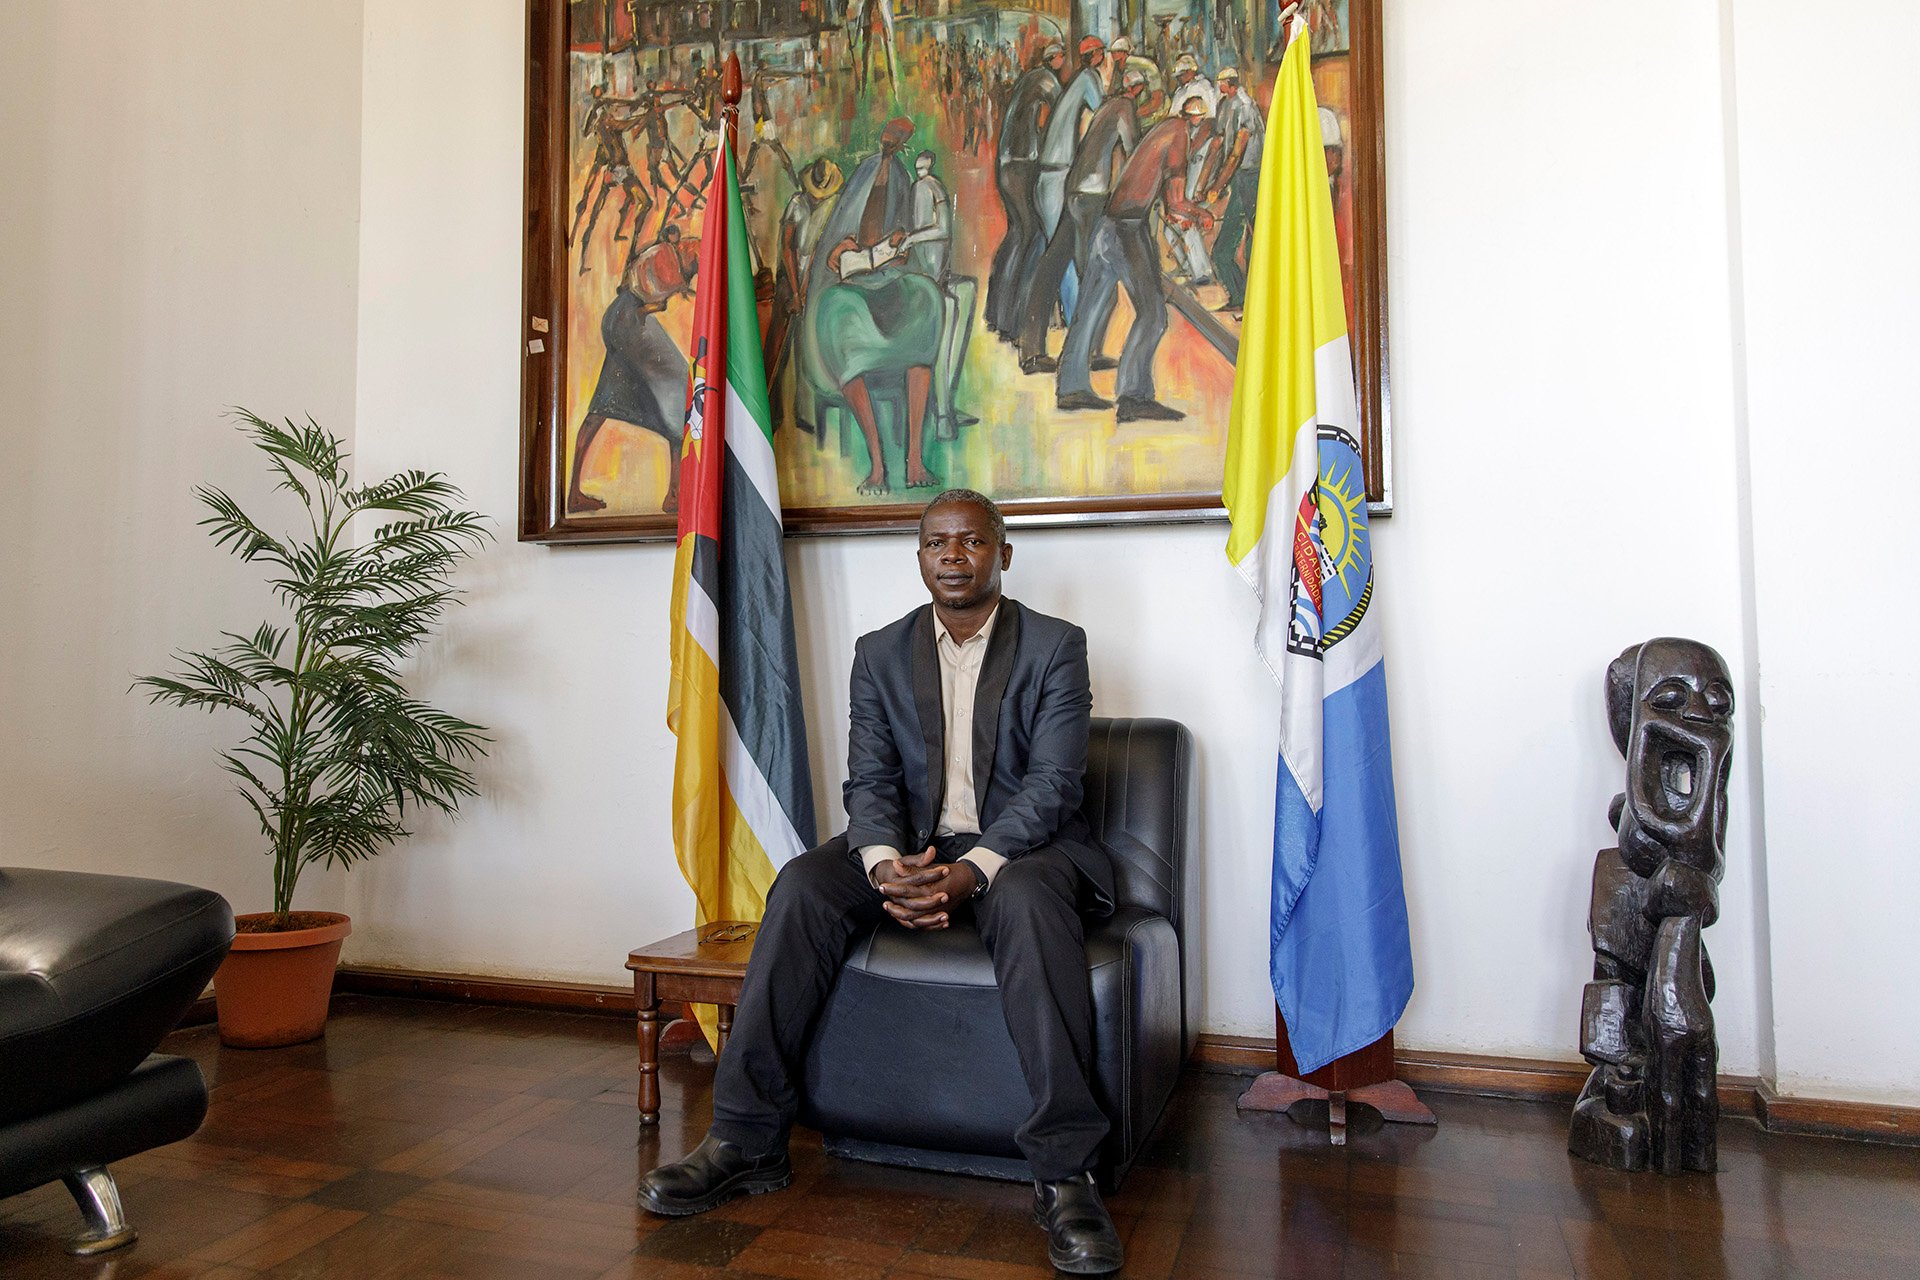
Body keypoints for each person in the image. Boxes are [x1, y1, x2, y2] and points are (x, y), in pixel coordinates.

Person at [640, 489, 1126, 1277]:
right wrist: (881, 865)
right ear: (920, 557)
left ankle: (1065, 1172)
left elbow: (1054, 786)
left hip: (1022, 850)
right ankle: (745, 1138)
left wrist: (973, 872)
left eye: (971, 542)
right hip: (911, 843)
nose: (954, 556)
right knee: (801, 884)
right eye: (938, 543)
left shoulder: (1054, 645)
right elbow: (869, 780)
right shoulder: (881, 650)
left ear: (1002, 554)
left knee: (1032, 900)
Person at [1056, 96, 1216, 421]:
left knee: (1089, 310)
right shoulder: (1180, 136)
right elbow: (1175, 202)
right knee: (1153, 314)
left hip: (1107, 226)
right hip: (1128, 228)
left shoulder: (1162, 129)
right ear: (1198, 122)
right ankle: (1133, 395)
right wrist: (1201, 214)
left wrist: (1179, 212)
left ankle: (1070, 386)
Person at [1015, 67, 1145, 372]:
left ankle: (1031, 349)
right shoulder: (1124, 109)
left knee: (1052, 264)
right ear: (1137, 92)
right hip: (1092, 196)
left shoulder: (1103, 108)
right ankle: (1086, 354)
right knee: (1097, 275)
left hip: (1073, 190)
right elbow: (1132, 152)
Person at [566, 224, 699, 514]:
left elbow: (653, 293)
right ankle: (674, 494)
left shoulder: (669, 251)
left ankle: (573, 494)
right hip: (630, 322)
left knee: (604, 402)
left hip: (618, 316)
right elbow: (657, 294)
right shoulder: (686, 253)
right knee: (679, 387)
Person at [987, 43, 1065, 336]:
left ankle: (998, 313)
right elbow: (1061, 114)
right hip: (1023, 164)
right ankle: (1015, 320)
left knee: (1017, 234)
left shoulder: (1027, 80)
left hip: (1007, 164)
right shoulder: (1047, 80)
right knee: (1031, 235)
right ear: (1054, 59)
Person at [902, 150, 979, 440]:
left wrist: (912, 238)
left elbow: (940, 229)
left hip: (936, 269)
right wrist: (911, 239)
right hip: (927, 275)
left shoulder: (928, 187)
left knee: (967, 290)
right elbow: (938, 229)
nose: (922, 168)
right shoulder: (923, 188)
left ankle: (948, 402)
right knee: (947, 305)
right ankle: (944, 413)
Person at [1204, 67, 1264, 313]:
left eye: (1221, 82)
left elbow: (1238, 151)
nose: (1218, 86)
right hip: (1238, 176)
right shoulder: (1224, 105)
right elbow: (1218, 145)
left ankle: (1253, 300)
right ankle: (1242, 297)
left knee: (1254, 237)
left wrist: (1218, 185)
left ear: (1229, 82)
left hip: (1252, 175)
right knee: (1224, 249)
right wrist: (1205, 183)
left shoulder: (1245, 106)